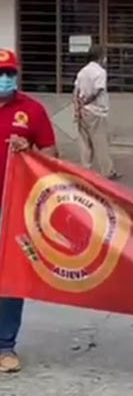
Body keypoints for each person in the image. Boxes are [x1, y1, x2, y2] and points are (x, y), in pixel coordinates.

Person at [0, 49, 58, 374]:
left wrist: (29, 151)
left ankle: (5, 346)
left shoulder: (32, 111)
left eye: (10, 73)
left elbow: (51, 154)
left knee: (8, 279)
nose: (5, 79)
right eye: (0, 74)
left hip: (12, 207)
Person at [74, 45, 119, 179]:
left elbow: (76, 90)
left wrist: (77, 107)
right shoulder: (100, 72)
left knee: (84, 143)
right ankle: (107, 171)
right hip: (97, 111)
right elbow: (98, 90)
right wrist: (87, 101)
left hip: (83, 112)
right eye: (105, 56)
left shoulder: (82, 71)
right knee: (101, 143)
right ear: (100, 57)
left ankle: (85, 170)